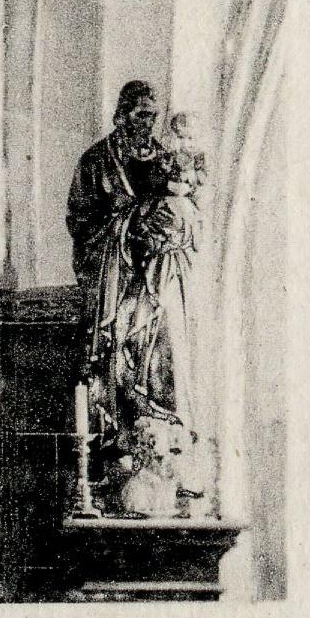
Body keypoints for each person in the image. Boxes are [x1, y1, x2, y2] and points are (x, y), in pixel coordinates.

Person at [67, 79, 205, 498]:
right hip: (115, 282)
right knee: (116, 358)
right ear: (121, 115)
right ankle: (119, 447)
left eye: (153, 116)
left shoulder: (166, 160)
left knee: (161, 354)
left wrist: (166, 228)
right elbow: (80, 224)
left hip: (157, 282)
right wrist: (129, 225)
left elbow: (185, 216)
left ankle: (165, 445)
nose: (148, 123)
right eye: (141, 115)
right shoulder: (96, 162)